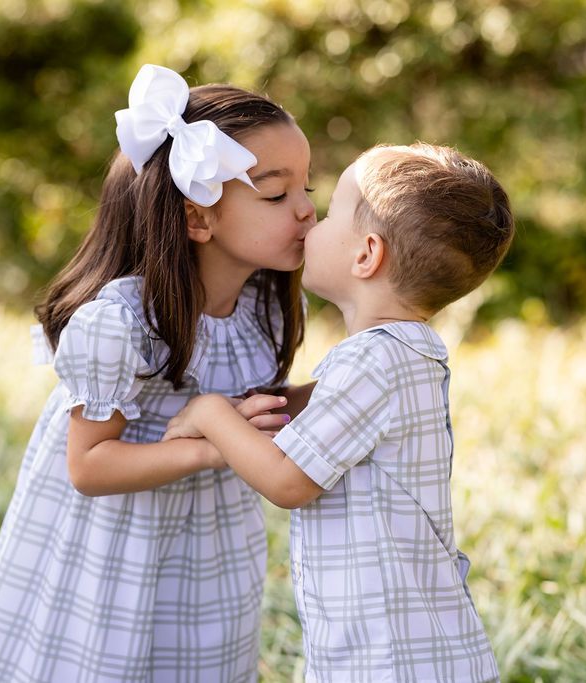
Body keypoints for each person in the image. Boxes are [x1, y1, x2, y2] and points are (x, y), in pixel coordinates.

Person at [0, 64, 316, 682]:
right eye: (277, 194)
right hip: (112, 545)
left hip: (208, 550)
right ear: (197, 217)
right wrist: (216, 446)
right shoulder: (123, 323)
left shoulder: (267, 306)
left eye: (309, 187)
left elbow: (255, 408)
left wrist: (338, 389)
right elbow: (89, 466)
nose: (308, 211)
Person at [164, 143, 515, 682]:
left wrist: (211, 412)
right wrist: (275, 399)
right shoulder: (407, 351)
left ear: (366, 256)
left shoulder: (374, 361)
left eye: (329, 214)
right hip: (412, 644)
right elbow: (326, 405)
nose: (309, 219)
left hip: (387, 654)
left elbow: (288, 482)